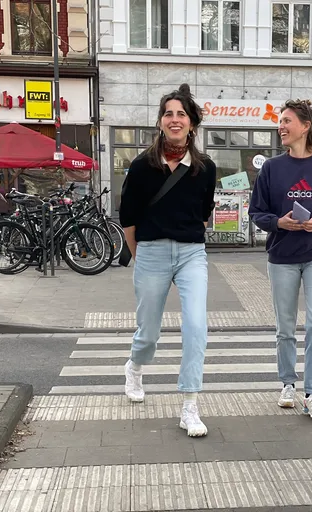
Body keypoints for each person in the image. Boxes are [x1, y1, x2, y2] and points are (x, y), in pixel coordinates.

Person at [118, 84, 217, 437]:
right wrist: (142, 251)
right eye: (168, 114)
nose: (174, 120)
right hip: (152, 252)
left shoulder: (205, 168)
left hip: (191, 253)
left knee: (196, 326)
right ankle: (135, 366)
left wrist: (185, 235)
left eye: (181, 114)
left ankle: (190, 406)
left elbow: (204, 213)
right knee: (149, 330)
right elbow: (127, 217)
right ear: (160, 122)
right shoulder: (142, 166)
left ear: (192, 124)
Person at [248, 99, 312, 420]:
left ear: (306, 126)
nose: (282, 126)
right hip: (282, 256)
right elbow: (256, 213)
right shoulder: (272, 169)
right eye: (280, 121)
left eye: (287, 121)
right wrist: (280, 222)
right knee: (285, 328)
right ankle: (288, 384)